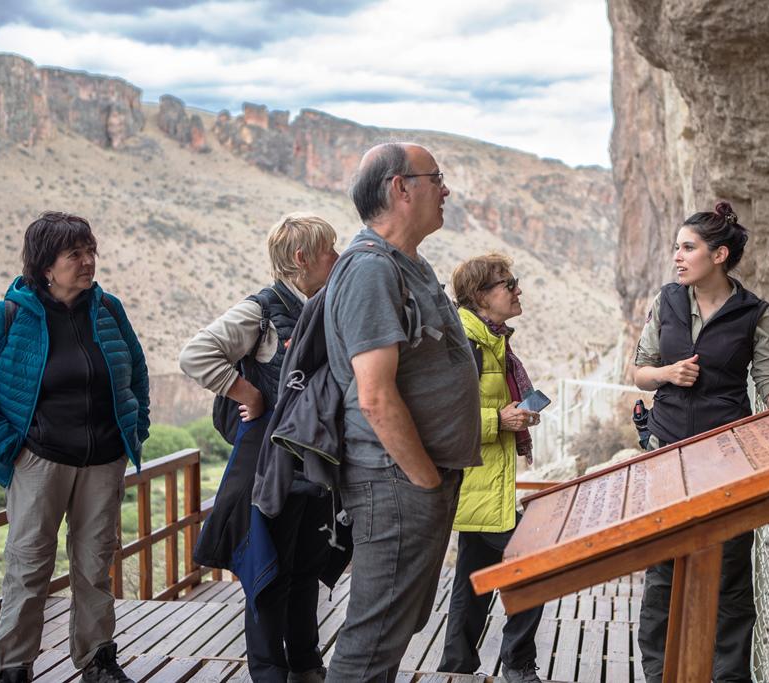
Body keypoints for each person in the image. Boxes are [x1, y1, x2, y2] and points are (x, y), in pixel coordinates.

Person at [633, 201, 769, 683]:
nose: (677, 256)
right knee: (664, 572)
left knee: (731, 575)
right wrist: (668, 372)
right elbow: (638, 372)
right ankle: (659, 675)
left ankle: (728, 676)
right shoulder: (666, 300)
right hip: (666, 452)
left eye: (687, 247)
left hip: (729, 455)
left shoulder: (756, 313)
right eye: (676, 246)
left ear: (719, 255)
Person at [0, 211, 149, 683]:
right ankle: (13, 668)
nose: (87, 262)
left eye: (90, 251)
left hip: (103, 460)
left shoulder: (108, 310)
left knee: (95, 564)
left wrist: (133, 431)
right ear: (45, 267)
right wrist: (14, 449)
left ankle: (97, 660)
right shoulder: (8, 316)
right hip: (39, 461)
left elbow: (136, 375)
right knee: (29, 566)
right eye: (74, 254)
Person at [323, 142, 482, 682]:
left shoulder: (408, 264)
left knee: (394, 626)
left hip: (415, 481)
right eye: (435, 177)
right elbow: (374, 395)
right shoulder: (370, 270)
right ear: (400, 187)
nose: (445, 190)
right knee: (372, 638)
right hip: (395, 482)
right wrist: (423, 480)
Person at [179, 212, 339, 683]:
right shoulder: (261, 311)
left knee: (306, 565)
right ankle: (270, 673)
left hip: (311, 463)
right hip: (271, 467)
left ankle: (306, 663)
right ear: (301, 257)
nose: (336, 257)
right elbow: (195, 354)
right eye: (328, 249)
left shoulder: (321, 306)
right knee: (269, 570)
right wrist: (245, 392)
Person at [439, 253, 545, 683]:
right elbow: (441, 416)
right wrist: (498, 421)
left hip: (486, 480)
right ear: (482, 296)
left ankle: (456, 667)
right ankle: (517, 663)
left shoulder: (491, 338)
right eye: (509, 283)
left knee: (472, 578)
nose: (518, 290)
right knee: (536, 561)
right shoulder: (467, 343)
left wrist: (515, 414)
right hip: (477, 479)